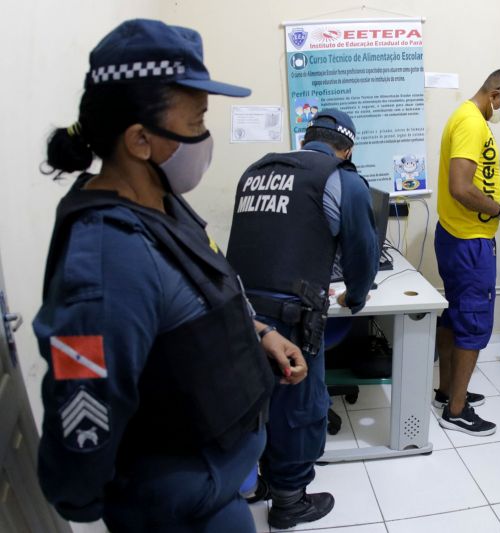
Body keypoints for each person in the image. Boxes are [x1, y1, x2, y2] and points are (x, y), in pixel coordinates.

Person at [32, 19, 307, 533]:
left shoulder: (161, 204)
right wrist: (87, 498)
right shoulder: (106, 257)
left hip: (217, 482)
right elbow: (85, 398)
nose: (205, 137)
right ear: (140, 140)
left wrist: (261, 334)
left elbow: (199, 296)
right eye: (196, 121)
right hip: (176, 506)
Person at [226, 109, 379, 529]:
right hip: (291, 317)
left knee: (254, 402)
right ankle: (290, 501)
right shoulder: (342, 179)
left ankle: (255, 482)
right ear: (346, 150)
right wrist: (357, 297)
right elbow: (362, 256)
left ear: (307, 137)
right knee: (299, 405)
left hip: (237, 313)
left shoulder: (256, 170)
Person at [434, 68, 500, 436]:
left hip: (458, 235)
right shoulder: (472, 122)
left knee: (455, 316)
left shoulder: (466, 117)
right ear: (495, 94)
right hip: (469, 241)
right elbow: (460, 186)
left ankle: (446, 392)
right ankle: (456, 411)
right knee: (472, 324)